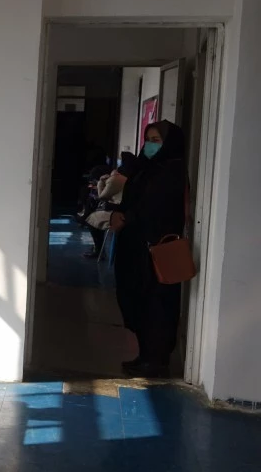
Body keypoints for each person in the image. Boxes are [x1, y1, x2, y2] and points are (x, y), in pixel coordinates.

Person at [110, 121, 188, 378]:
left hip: (155, 249)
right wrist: (120, 213)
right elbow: (133, 197)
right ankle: (145, 355)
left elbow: (158, 207)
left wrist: (127, 217)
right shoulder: (146, 168)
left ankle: (156, 359)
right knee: (138, 300)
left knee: (156, 304)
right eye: (148, 139)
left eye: (157, 140)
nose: (150, 145)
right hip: (136, 247)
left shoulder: (172, 170)